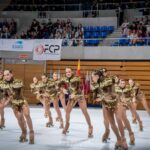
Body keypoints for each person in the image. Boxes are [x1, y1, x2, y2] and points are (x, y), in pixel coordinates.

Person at [91, 68, 127, 149]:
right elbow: (95, 97)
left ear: (97, 76)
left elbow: (117, 83)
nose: (92, 78)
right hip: (107, 105)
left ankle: (123, 139)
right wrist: (98, 98)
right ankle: (118, 139)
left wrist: (121, 96)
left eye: (93, 76)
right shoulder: (94, 84)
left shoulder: (108, 80)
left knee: (118, 119)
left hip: (116, 102)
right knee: (112, 123)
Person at [1, 70, 34, 144]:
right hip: (14, 103)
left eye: (8, 74)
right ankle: (24, 132)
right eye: (5, 75)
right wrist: (6, 100)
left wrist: (9, 96)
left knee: (27, 115)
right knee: (19, 118)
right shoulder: (3, 84)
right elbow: (5, 94)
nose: (6, 76)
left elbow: (19, 91)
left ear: (11, 74)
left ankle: (31, 132)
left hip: (22, 101)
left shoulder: (18, 81)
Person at [62, 67, 93, 138]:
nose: (68, 73)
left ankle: (90, 126)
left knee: (85, 112)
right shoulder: (64, 78)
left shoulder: (76, 78)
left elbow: (81, 88)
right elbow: (60, 85)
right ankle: (67, 125)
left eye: (69, 72)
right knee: (67, 111)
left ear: (72, 72)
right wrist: (62, 89)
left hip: (79, 96)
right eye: (66, 72)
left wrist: (75, 94)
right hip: (72, 97)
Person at [115, 79, 135, 145]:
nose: (123, 84)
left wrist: (127, 100)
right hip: (117, 105)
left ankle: (122, 139)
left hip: (125, 104)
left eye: (124, 83)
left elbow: (132, 96)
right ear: (119, 83)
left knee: (120, 119)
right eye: (121, 83)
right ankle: (131, 134)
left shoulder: (128, 88)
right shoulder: (116, 88)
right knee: (124, 119)